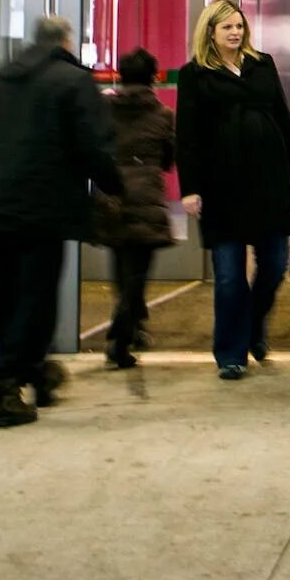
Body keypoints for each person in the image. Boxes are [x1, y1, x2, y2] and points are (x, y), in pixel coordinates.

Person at [0, 16, 121, 428]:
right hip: (38, 210)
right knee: (35, 300)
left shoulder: (4, 81)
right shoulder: (70, 79)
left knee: (7, 300)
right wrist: (115, 184)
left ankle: (34, 372)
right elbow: (93, 143)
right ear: (66, 41)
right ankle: (3, 389)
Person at [176, 0, 290, 380]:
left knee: (274, 267)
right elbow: (186, 137)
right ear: (210, 33)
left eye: (239, 26)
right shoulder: (194, 74)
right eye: (228, 27)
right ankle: (230, 353)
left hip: (269, 182)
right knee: (230, 276)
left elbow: (283, 118)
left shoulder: (262, 64)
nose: (236, 32)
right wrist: (190, 188)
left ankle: (253, 326)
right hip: (222, 189)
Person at [97, 48, 175, 369]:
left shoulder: (105, 110)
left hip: (112, 195)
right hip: (146, 197)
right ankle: (122, 334)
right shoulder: (163, 114)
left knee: (120, 263)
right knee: (138, 272)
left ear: (121, 75)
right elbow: (169, 159)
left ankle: (128, 320)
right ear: (153, 77)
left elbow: (97, 147)